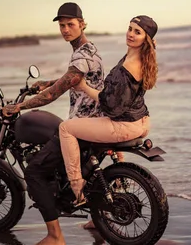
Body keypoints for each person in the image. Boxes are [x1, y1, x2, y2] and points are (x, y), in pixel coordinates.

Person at [2, 2, 104, 245]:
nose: (66, 29)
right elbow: (71, 79)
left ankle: (55, 237)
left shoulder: (81, 55)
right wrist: (45, 82)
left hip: (82, 126)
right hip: (95, 123)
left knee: (35, 171)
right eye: (62, 25)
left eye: (71, 24)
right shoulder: (89, 50)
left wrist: (20, 107)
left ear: (82, 24)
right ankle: (98, 218)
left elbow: (55, 94)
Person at [59, 15, 158, 204]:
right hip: (142, 121)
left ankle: (76, 189)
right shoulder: (142, 57)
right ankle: (109, 198)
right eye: (130, 29)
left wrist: (83, 87)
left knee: (66, 128)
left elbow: (109, 105)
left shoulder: (129, 66)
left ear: (145, 39)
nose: (130, 34)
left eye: (137, 32)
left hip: (126, 125)